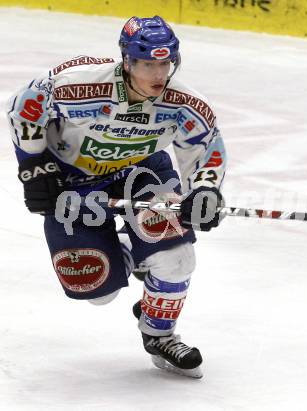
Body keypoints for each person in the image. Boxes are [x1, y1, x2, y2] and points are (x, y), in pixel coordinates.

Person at [6, 15, 226, 379]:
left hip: (142, 174)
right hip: (73, 181)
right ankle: (132, 248)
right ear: (127, 61)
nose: (158, 74)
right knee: (93, 287)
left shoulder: (184, 104)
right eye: (147, 64)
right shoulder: (75, 84)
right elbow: (23, 107)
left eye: (165, 63)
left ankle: (159, 334)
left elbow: (206, 149)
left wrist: (204, 190)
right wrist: (35, 166)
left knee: (176, 258)